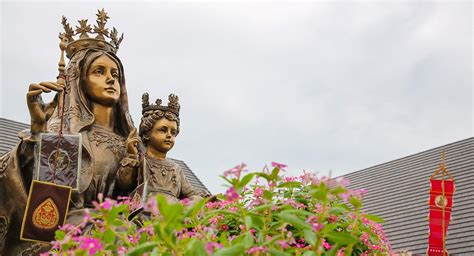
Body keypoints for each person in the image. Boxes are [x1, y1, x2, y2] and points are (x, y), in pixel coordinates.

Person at [0, 10, 138, 254]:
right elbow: (32, 187)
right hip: (75, 233)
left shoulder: (129, 142)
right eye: (99, 71)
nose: (110, 79)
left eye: (114, 74)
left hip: (122, 232)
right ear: (79, 80)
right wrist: (37, 132)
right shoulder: (63, 134)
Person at [117, 93, 209, 207]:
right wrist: (131, 156)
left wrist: (206, 198)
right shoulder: (141, 161)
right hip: (147, 210)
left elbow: (190, 193)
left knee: (197, 200)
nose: (169, 135)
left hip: (172, 212)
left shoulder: (176, 168)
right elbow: (124, 184)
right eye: (163, 130)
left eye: (173, 132)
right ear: (146, 134)